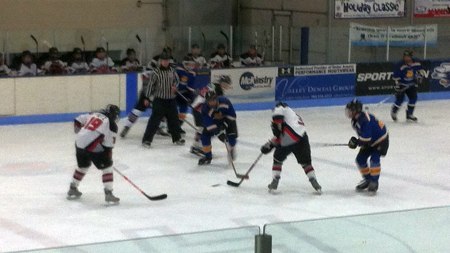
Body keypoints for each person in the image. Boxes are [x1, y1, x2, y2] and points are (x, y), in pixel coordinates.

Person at [260, 102, 322, 194]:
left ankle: (275, 180)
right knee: (306, 162)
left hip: (290, 137)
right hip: (303, 138)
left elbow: (279, 127)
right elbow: (283, 132)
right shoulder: (293, 114)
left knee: (277, 158)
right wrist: (273, 142)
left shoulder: (280, 108)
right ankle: (314, 181)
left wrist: (270, 144)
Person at [67, 104, 121, 203]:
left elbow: (78, 120)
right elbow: (108, 146)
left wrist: (82, 134)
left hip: (79, 143)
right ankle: (109, 193)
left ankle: (73, 188)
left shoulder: (94, 114)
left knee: (83, 166)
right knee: (107, 168)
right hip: (91, 146)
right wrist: (108, 160)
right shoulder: (112, 125)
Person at [141, 51, 185, 147]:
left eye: (167, 60)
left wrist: (175, 87)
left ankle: (177, 138)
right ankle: (146, 140)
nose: (165, 62)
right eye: (163, 60)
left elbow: (177, 81)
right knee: (154, 120)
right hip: (159, 100)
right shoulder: (156, 72)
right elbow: (150, 86)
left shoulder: (172, 71)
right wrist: (147, 98)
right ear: (160, 61)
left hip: (171, 100)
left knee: (174, 120)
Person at [346, 99, 389, 195]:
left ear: (356, 111)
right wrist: (357, 141)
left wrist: (357, 142)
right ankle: (368, 179)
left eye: (350, 110)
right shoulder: (355, 120)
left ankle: (374, 181)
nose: (348, 113)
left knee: (374, 159)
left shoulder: (365, 120)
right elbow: (364, 136)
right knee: (360, 159)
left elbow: (366, 138)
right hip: (370, 141)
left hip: (380, 141)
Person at [190, 76, 231, 156]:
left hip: (197, 108)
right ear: (221, 82)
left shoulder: (213, 86)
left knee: (202, 128)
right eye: (225, 84)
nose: (226, 86)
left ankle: (196, 146)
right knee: (207, 129)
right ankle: (198, 147)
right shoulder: (217, 89)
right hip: (201, 110)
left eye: (227, 85)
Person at [198, 90, 238, 165]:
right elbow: (208, 123)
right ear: (206, 101)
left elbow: (233, 116)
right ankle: (208, 157)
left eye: (213, 99)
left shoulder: (225, 102)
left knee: (231, 137)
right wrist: (218, 132)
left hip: (227, 119)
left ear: (217, 98)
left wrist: (225, 124)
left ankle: (231, 148)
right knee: (204, 136)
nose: (212, 102)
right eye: (209, 101)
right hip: (215, 121)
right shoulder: (205, 108)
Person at [391, 49, 425, 122]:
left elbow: (421, 71)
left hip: (411, 85)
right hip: (402, 85)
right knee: (400, 100)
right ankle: (394, 112)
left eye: (408, 57)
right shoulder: (399, 65)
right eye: (405, 56)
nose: (406, 58)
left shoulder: (417, 62)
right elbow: (395, 77)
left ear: (411, 57)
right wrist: (398, 85)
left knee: (413, 98)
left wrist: (420, 76)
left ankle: (409, 114)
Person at [176, 56, 197, 134]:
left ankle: (177, 127)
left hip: (183, 93)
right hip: (172, 92)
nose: (190, 66)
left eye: (192, 64)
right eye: (188, 64)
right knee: (168, 109)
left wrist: (190, 98)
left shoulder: (192, 73)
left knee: (184, 108)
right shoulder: (177, 70)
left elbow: (190, 88)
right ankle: (162, 125)